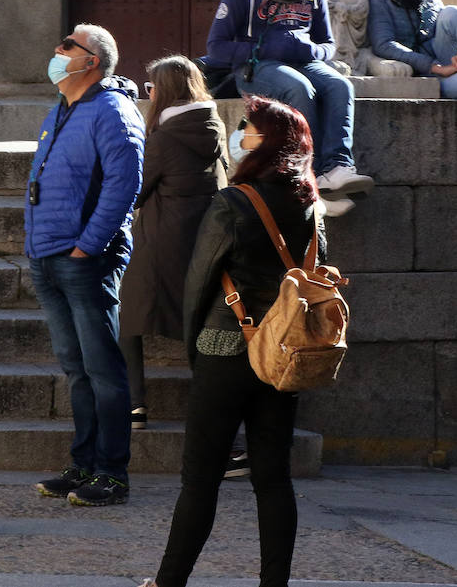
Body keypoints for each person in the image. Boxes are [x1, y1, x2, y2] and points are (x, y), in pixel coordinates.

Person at [142, 96, 325, 587]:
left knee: (200, 479)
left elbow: (199, 280)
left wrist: (194, 348)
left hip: (225, 345)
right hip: (284, 353)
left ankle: (168, 581)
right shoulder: (311, 203)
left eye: (248, 126)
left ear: (265, 140)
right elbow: (314, 273)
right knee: (273, 477)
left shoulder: (234, 201)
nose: (240, 131)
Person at [26, 24, 144, 506]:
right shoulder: (62, 110)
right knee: (76, 369)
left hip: (84, 258)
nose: (57, 50)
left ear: (91, 61)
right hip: (48, 256)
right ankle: (83, 465)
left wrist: (87, 246)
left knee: (102, 370)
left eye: (67, 45)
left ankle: (112, 474)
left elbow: (124, 185)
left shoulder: (113, 110)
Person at [206, 0, 373, 214]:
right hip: (257, 67)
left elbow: (327, 45)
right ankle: (308, 175)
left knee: (339, 85)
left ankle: (337, 167)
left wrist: (308, 49)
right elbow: (216, 47)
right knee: (300, 90)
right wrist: (267, 47)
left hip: (303, 62)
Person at [118, 56, 228, 431]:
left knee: (126, 316)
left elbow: (136, 189)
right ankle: (209, 409)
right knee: (198, 325)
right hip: (204, 243)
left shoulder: (164, 138)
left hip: (160, 243)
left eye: (152, 88)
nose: (149, 95)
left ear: (165, 92)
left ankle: (134, 405)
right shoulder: (214, 127)